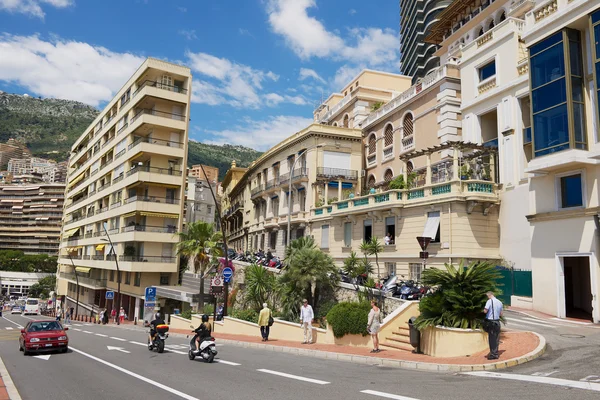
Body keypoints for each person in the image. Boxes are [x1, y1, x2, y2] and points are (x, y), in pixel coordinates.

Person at [483, 291, 503, 360]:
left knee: (492, 339)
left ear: (489, 295)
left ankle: (493, 354)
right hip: (497, 322)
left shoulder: (489, 301)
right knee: (496, 339)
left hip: (491, 322)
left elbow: (485, 311)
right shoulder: (500, 302)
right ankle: (496, 353)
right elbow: (501, 314)